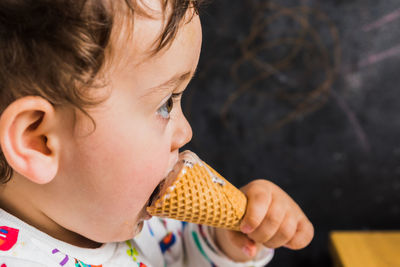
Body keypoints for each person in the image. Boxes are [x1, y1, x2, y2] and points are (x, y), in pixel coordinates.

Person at [0, 0, 314, 266]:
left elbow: (181, 254)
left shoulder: (138, 215)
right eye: (165, 104)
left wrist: (224, 243)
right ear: (39, 141)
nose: (186, 131)